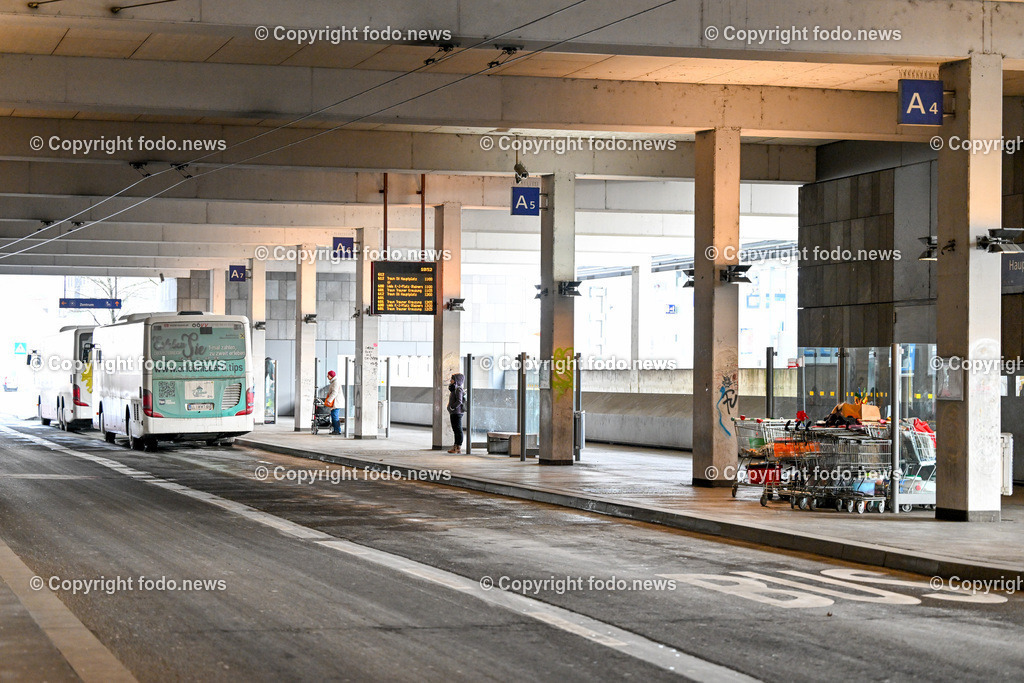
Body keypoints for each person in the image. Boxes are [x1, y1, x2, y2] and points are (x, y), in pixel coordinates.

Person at [447, 373, 465, 453]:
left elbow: (459, 401)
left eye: (452, 379)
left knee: (458, 429)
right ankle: (455, 446)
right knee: (455, 430)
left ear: (457, 380)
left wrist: (452, 407)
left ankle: (458, 447)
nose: (451, 380)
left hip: (457, 413)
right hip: (453, 412)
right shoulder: (454, 389)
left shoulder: (459, 389)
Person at [325, 370, 343, 435]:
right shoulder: (333, 382)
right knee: (334, 416)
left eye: (328, 375)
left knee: (335, 416)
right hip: (335, 402)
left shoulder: (335, 382)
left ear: (331, 376)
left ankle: (338, 430)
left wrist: (329, 400)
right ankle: (336, 430)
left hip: (336, 402)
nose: (327, 376)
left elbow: (334, 392)